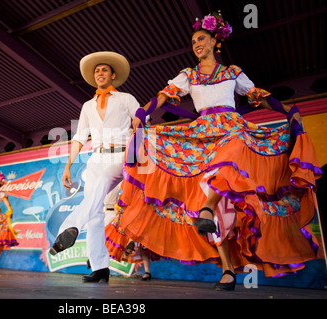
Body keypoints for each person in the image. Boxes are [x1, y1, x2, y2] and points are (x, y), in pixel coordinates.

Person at [113, 11, 321, 291]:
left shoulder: (233, 72)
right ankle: (226, 268)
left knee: (234, 148)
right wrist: (142, 112)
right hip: (202, 135)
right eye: (193, 41)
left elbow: (258, 95)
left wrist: (288, 111)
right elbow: (164, 95)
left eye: (201, 38)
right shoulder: (188, 75)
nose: (196, 44)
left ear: (214, 41)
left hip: (232, 128)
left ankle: (207, 209)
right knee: (220, 202)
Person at [49, 51, 141, 283]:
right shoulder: (88, 105)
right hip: (96, 158)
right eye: (97, 70)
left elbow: (141, 125)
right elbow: (80, 136)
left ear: (113, 75)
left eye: (104, 70)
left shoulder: (126, 98)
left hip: (122, 154)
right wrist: (68, 164)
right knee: (95, 214)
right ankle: (100, 267)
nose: (100, 73)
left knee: (99, 188)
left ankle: (69, 227)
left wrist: (140, 140)